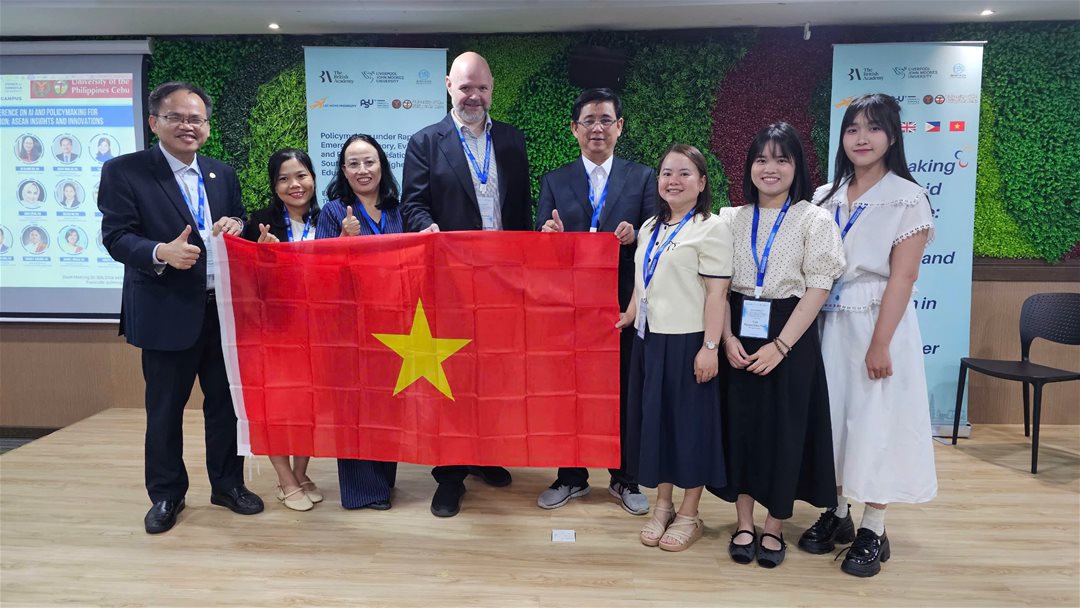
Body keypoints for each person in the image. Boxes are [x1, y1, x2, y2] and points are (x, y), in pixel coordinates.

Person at [98, 81, 263, 534]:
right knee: (165, 411)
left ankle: (227, 485)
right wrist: (160, 252)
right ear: (155, 122)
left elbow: (238, 218)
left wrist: (237, 223)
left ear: (207, 126)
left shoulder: (220, 173)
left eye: (196, 119)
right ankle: (167, 494)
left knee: (225, 406)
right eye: (176, 117)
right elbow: (116, 236)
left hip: (222, 311)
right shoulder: (125, 171)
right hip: (166, 309)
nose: (188, 126)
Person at [799, 93, 938, 578]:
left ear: (893, 136)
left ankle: (873, 527)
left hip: (878, 321)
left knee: (877, 423)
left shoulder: (908, 197)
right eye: (853, 128)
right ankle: (837, 512)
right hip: (826, 320)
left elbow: (903, 276)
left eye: (873, 128)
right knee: (834, 420)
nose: (862, 138)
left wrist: (880, 343)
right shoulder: (824, 196)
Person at [401, 51, 531, 518]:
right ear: (448, 87)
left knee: (494, 373)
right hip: (451, 282)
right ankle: (450, 474)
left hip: (502, 280)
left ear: (491, 89)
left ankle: (483, 452)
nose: (474, 96)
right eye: (465, 87)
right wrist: (428, 228)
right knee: (452, 377)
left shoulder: (512, 140)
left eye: (482, 88)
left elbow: (521, 209)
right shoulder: (425, 142)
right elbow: (412, 206)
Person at [710, 123, 845, 569]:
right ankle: (744, 523)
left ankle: (773, 526)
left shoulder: (814, 219)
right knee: (741, 429)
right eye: (762, 159)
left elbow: (819, 288)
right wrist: (727, 338)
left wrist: (781, 346)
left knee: (785, 430)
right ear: (749, 167)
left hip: (790, 334)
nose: (770, 168)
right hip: (737, 328)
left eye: (782, 159)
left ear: (796, 167)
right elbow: (718, 286)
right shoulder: (730, 218)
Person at [535, 88, 656, 515]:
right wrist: (548, 236)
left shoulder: (642, 178)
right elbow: (541, 238)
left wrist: (635, 234)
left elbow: (656, 235)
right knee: (570, 390)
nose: (597, 128)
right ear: (574, 129)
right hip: (569, 306)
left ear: (619, 127)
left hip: (623, 304)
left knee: (624, 389)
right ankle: (571, 476)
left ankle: (625, 478)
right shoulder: (554, 180)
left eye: (606, 120)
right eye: (588, 120)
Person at [618, 144, 732, 552]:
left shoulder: (712, 228)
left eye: (685, 173)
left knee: (690, 429)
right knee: (659, 425)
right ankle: (663, 505)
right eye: (667, 173)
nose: (674, 181)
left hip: (689, 342)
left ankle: (689, 513)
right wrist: (630, 314)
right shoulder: (651, 226)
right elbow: (643, 281)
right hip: (650, 341)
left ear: (701, 182)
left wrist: (710, 347)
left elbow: (717, 294)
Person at [313, 134, 403, 510]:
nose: (362, 170)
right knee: (353, 407)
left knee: (386, 404)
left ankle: (383, 482)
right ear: (343, 171)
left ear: (382, 165)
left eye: (369, 162)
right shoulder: (334, 211)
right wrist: (341, 239)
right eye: (354, 164)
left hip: (394, 324)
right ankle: (362, 491)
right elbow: (320, 270)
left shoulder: (398, 209)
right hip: (349, 326)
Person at [239, 148, 321, 510]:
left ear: (313, 178)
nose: (294, 185)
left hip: (317, 330)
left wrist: (347, 237)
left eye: (301, 175)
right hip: (273, 332)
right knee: (277, 407)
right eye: (284, 178)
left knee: (310, 407)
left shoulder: (329, 219)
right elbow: (242, 281)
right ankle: (285, 479)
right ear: (274, 186)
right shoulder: (259, 223)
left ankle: (300, 473)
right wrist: (259, 257)